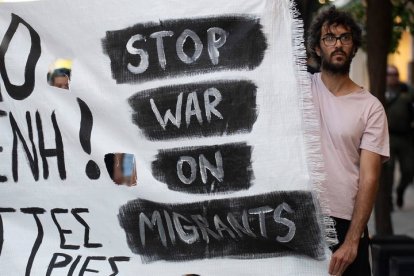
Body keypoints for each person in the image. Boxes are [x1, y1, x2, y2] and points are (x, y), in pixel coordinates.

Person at [307, 7, 389, 276]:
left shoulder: (371, 107)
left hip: (345, 222)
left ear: (354, 47)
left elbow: (369, 178)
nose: (338, 44)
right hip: (299, 218)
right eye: (329, 38)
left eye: (345, 37)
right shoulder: (300, 89)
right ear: (317, 48)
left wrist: (352, 241)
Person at [385, 64, 414, 208]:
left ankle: (401, 190)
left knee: (409, 170)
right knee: (388, 172)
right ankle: (388, 200)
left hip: (405, 137)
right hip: (388, 137)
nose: (392, 77)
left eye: (395, 74)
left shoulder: (407, 90)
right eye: (389, 74)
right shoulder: (380, 90)